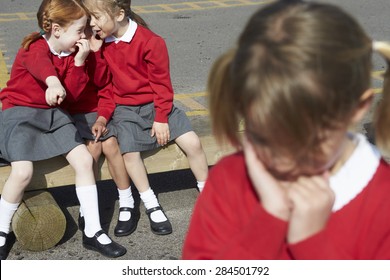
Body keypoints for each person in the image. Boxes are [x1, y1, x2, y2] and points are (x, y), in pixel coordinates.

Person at [182, 0, 390, 259]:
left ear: (357, 108)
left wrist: (311, 244)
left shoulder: (383, 203)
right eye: (263, 137)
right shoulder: (230, 178)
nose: (282, 156)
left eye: (304, 138)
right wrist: (270, 219)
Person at [0, 0, 126, 260]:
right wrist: (53, 83)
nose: (85, 36)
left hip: (54, 115)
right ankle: (1, 230)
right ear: (57, 30)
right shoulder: (34, 46)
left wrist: (80, 63)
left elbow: (72, 97)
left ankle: (93, 230)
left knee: (83, 160)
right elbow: (42, 66)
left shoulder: (74, 54)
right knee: (23, 172)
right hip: (20, 113)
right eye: (80, 30)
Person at [82, 0, 209, 235]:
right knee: (129, 153)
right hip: (125, 110)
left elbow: (162, 85)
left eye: (96, 17)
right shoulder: (104, 45)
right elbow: (105, 89)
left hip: (158, 105)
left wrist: (161, 117)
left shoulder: (151, 42)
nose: (92, 24)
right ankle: (150, 203)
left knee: (193, 142)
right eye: (90, 17)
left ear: (119, 14)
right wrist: (102, 117)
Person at [64, 25, 138, 237]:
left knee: (111, 143)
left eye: (89, 33)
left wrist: (103, 118)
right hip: (74, 114)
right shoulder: (69, 54)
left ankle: (127, 201)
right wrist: (81, 60)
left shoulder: (99, 54)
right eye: (81, 33)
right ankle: (87, 206)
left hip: (100, 112)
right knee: (93, 148)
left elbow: (106, 90)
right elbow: (71, 96)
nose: (85, 38)